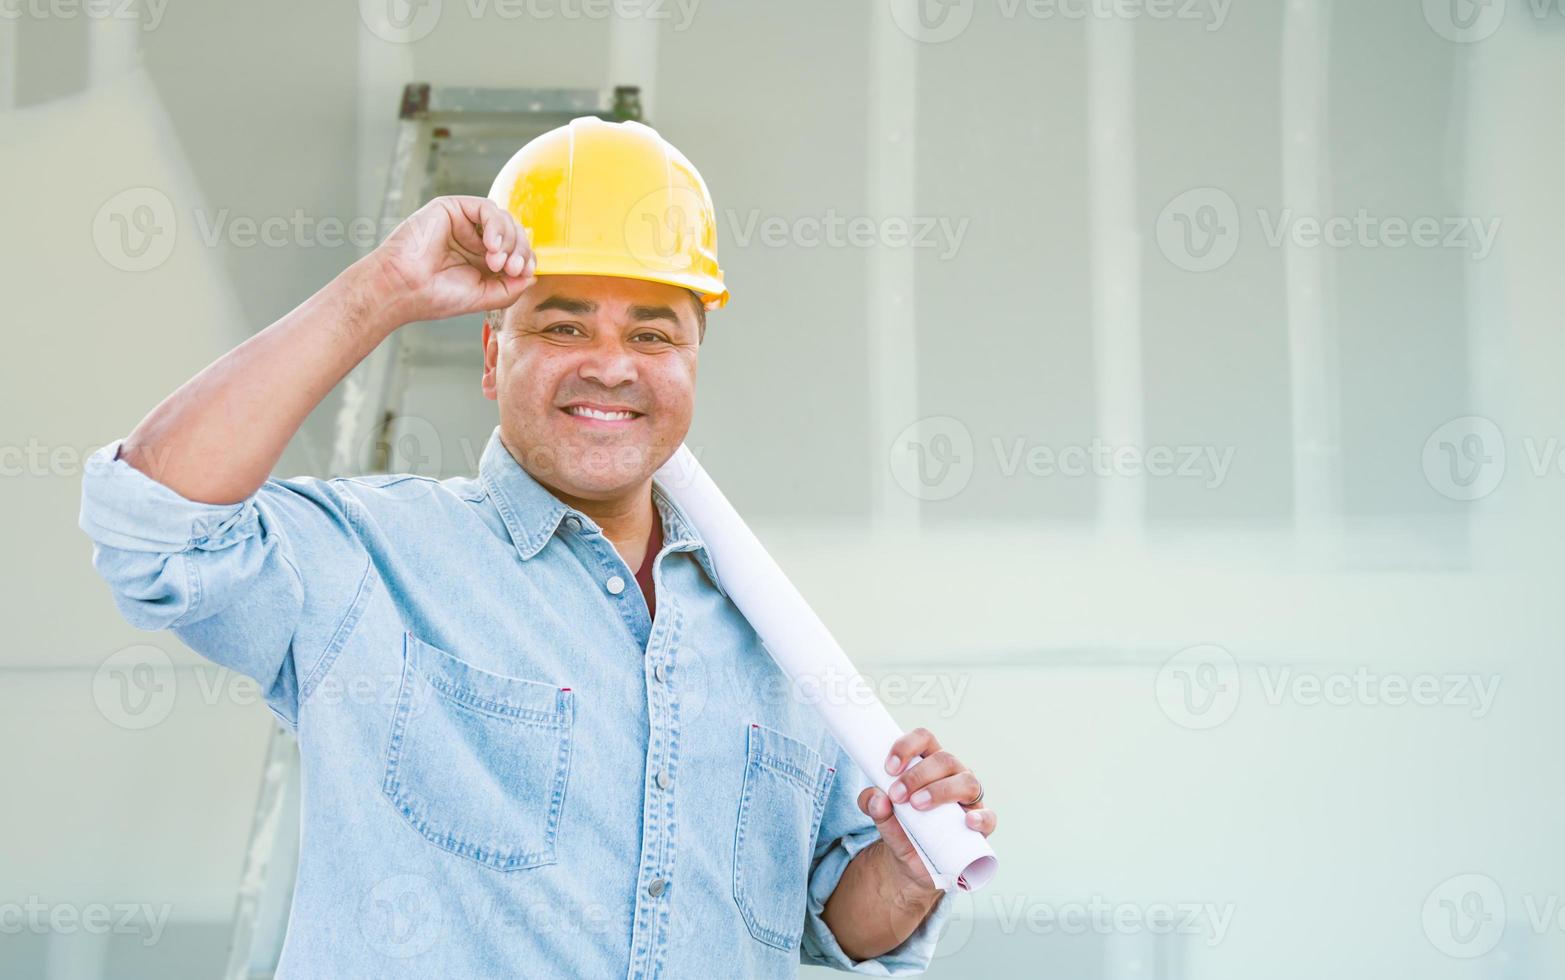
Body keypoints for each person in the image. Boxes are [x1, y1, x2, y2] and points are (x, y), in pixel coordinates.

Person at [78, 117, 995, 977]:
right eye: (563, 325)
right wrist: (380, 292)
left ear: (692, 362)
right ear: (491, 355)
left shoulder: (770, 630)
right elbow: (157, 524)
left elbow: (827, 915)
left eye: (652, 333)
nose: (611, 363)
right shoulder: (373, 561)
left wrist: (908, 870)